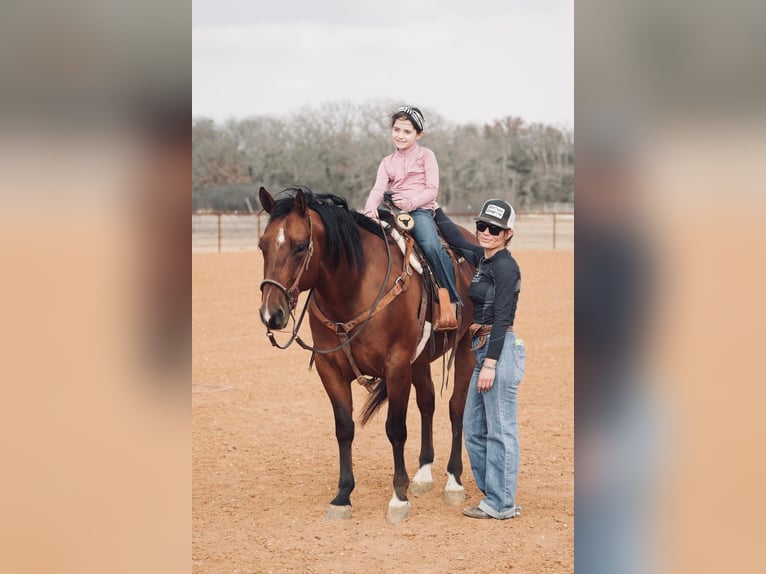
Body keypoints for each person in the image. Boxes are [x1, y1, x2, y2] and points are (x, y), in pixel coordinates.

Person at [435, 199, 525, 519]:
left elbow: (502, 318)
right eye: (482, 226)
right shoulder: (481, 258)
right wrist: (431, 207)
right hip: (482, 347)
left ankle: (502, 503)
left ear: (508, 233)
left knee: (500, 430)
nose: (486, 232)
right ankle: (494, 494)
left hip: (498, 351)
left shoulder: (505, 267)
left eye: (494, 229)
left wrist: (490, 363)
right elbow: (457, 239)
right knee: (473, 426)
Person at [363, 105, 459, 330]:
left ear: (419, 134)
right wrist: (369, 209)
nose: (400, 135)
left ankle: (450, 301)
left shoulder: (427, 156)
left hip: (419, 210)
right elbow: (378, 189)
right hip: (392, 209)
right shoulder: (387, 162)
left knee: (431, 245)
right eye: (397, 129)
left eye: (407, 131)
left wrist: (410, 204)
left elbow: (432, 189)